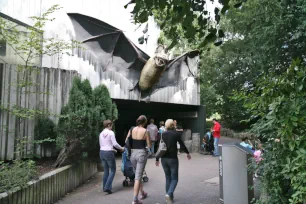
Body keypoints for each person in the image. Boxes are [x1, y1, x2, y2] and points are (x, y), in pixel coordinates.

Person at [155, 119, 191, 204]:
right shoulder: (176, 134)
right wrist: (187, 153)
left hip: (164, 159)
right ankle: (169, 194)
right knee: (174, 179)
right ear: (172, 125)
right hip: (173, 159)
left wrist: (157, 158)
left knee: (168, 177)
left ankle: (169, 199)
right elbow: (181, 145)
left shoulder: (162, 134)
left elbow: (159, 147)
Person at [129, 115, 151, 204]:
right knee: (138, 177)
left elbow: (128, 140)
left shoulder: (132, 129)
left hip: (133, 154)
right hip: (141, 154)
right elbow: (149, 145)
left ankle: (142, 193)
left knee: (138, 174)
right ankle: (135, 199)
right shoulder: (145, 131)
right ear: (145, 122)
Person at [99, 120, 124, 194]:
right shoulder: (111, 133)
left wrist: (111, 149)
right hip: (109, 153)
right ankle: (107, 187)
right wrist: (121, 148)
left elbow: (102, 145)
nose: (112, 126)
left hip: (102, 152)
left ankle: (104, 187)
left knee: (106, 170)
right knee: (113, 170)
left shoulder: (101, 133)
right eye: (111, 125)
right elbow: (115, 143)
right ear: (109, 125)